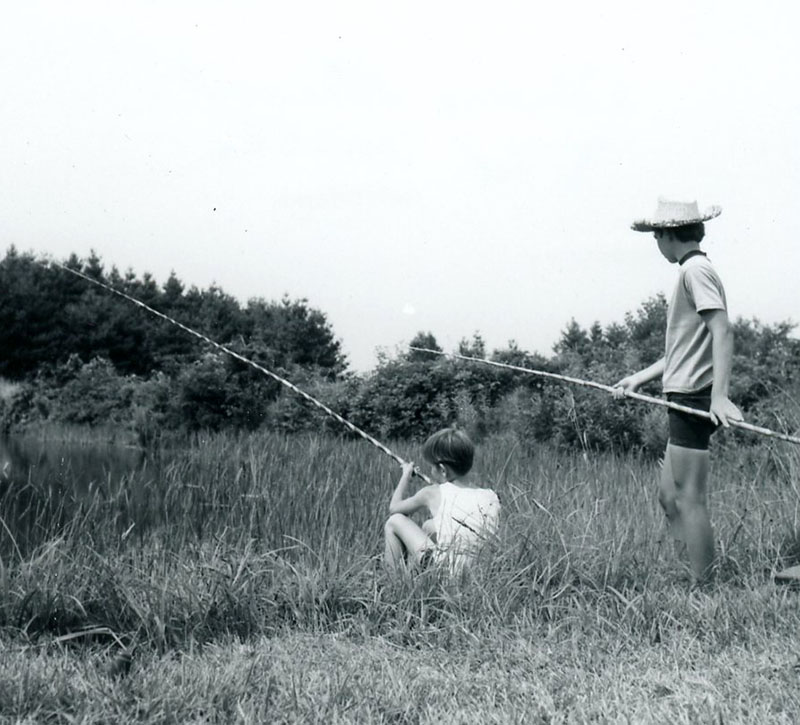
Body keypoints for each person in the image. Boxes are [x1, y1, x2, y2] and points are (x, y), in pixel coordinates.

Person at [613, 198, 743, 584]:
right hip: (681, 394)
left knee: (690, 499)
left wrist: (719, 397)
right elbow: (681, 351)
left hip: (693, 397)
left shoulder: (696, 270)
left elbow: (722, 330)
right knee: (669, 498)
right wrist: (639, 377)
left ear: (668, 235)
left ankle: (705, 591)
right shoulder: (691, 270)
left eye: (657, 235)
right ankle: (687, 572)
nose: (656, 242)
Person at [383, 427, 501, 575]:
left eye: (432, 467)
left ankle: (394, 585)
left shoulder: (431, 493)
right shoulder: (491, 496)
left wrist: (405, 476)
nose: (431, 471)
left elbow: (394, 508)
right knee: (429, 526)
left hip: (446, 575)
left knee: (395, 521)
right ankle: (417, 578)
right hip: (480, 575)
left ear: (443, 470)